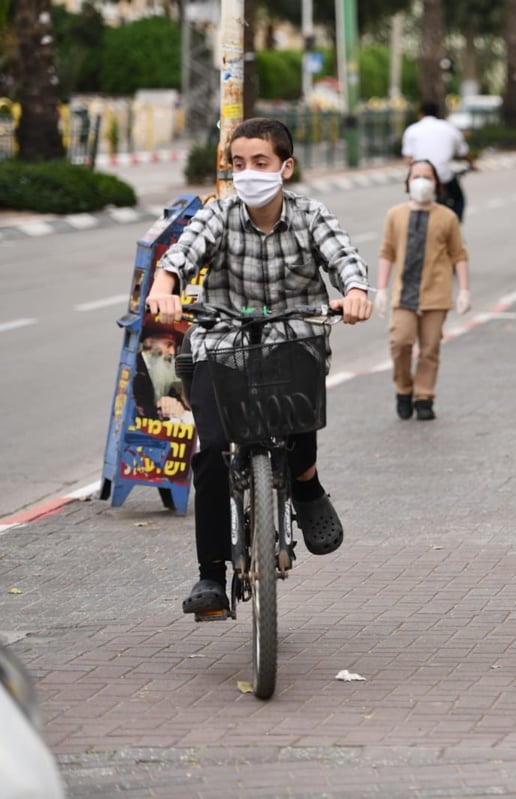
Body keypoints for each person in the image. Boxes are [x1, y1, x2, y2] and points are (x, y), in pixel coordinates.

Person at [146, 117, 373, 616]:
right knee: (209, 453)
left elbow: (345, 259)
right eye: (239, 164)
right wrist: (165, 287)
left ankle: (306, 484)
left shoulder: (311, 215)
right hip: (221, 344)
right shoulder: (219, 215)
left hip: (293, 343)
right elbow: (183, 252)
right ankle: (210, 576)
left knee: (299, 415)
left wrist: (355, 292)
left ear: (285, 167)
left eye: (260, 163)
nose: (248, 173)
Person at [376, 159, 471, 422]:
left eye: (427, 177)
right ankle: (404, 389)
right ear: (407, 182)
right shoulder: (395, 215)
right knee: (400, 343)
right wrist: (381, 289)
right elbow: (387, 252)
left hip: (436, 295)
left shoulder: (447, 217)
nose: (421, 181)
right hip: (404, 294)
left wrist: (464, 290)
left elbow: (459, 255)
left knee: (430, 349)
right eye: (416, 176)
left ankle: (424, 396)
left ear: (436, 183)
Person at [401, 101, 476, 221]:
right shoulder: (450, 128)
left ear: (421, 114)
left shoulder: (412, 130)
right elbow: (464, 153)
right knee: (459, 199)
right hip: (444, 176)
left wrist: (415, 173)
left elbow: (407, 159)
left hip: (420, 177)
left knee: (414, 204)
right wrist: (473, 165)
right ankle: (454, 226)